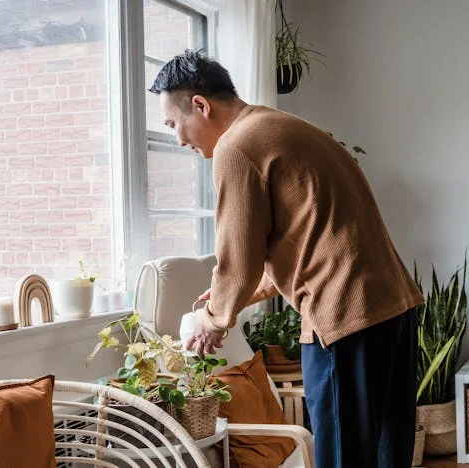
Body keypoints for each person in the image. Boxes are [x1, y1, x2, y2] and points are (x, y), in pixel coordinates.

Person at [149, 49, 424, 468]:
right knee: (389, 455)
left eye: (174, 123)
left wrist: (214, 317)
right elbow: (314, 236)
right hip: (391, 308)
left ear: (201, 106)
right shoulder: (282, 127)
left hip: (343, 317)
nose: (179, 139)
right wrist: (241, 297)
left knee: (343, 459)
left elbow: (237, 254)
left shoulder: (236, 146)